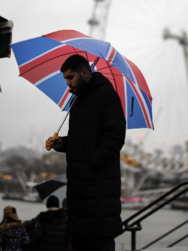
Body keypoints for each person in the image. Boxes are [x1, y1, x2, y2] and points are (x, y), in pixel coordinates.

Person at [45, 54, 126, 251]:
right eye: (65, 79)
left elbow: (115, 136)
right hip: (80, 192)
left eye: (70, 77)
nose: (67, 83)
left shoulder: (106, 95)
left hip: (98, 190)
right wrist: (62, 143)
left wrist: (92, 164)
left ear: (85, 73)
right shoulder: (79, 101)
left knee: (99, 242)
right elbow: (83, 140)